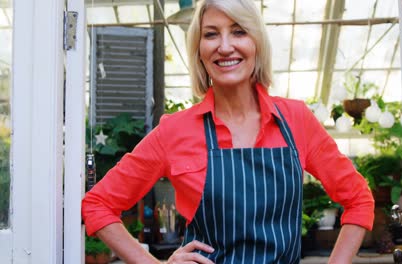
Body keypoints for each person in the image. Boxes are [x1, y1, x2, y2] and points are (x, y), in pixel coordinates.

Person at [81, 0, 375, 263]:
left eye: (238, 31)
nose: (224, 46)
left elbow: (359, 199)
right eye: (211, 34)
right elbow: (98, 204)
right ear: (199, 50)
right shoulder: (175, 130)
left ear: (257, 43)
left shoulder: (295, 119)